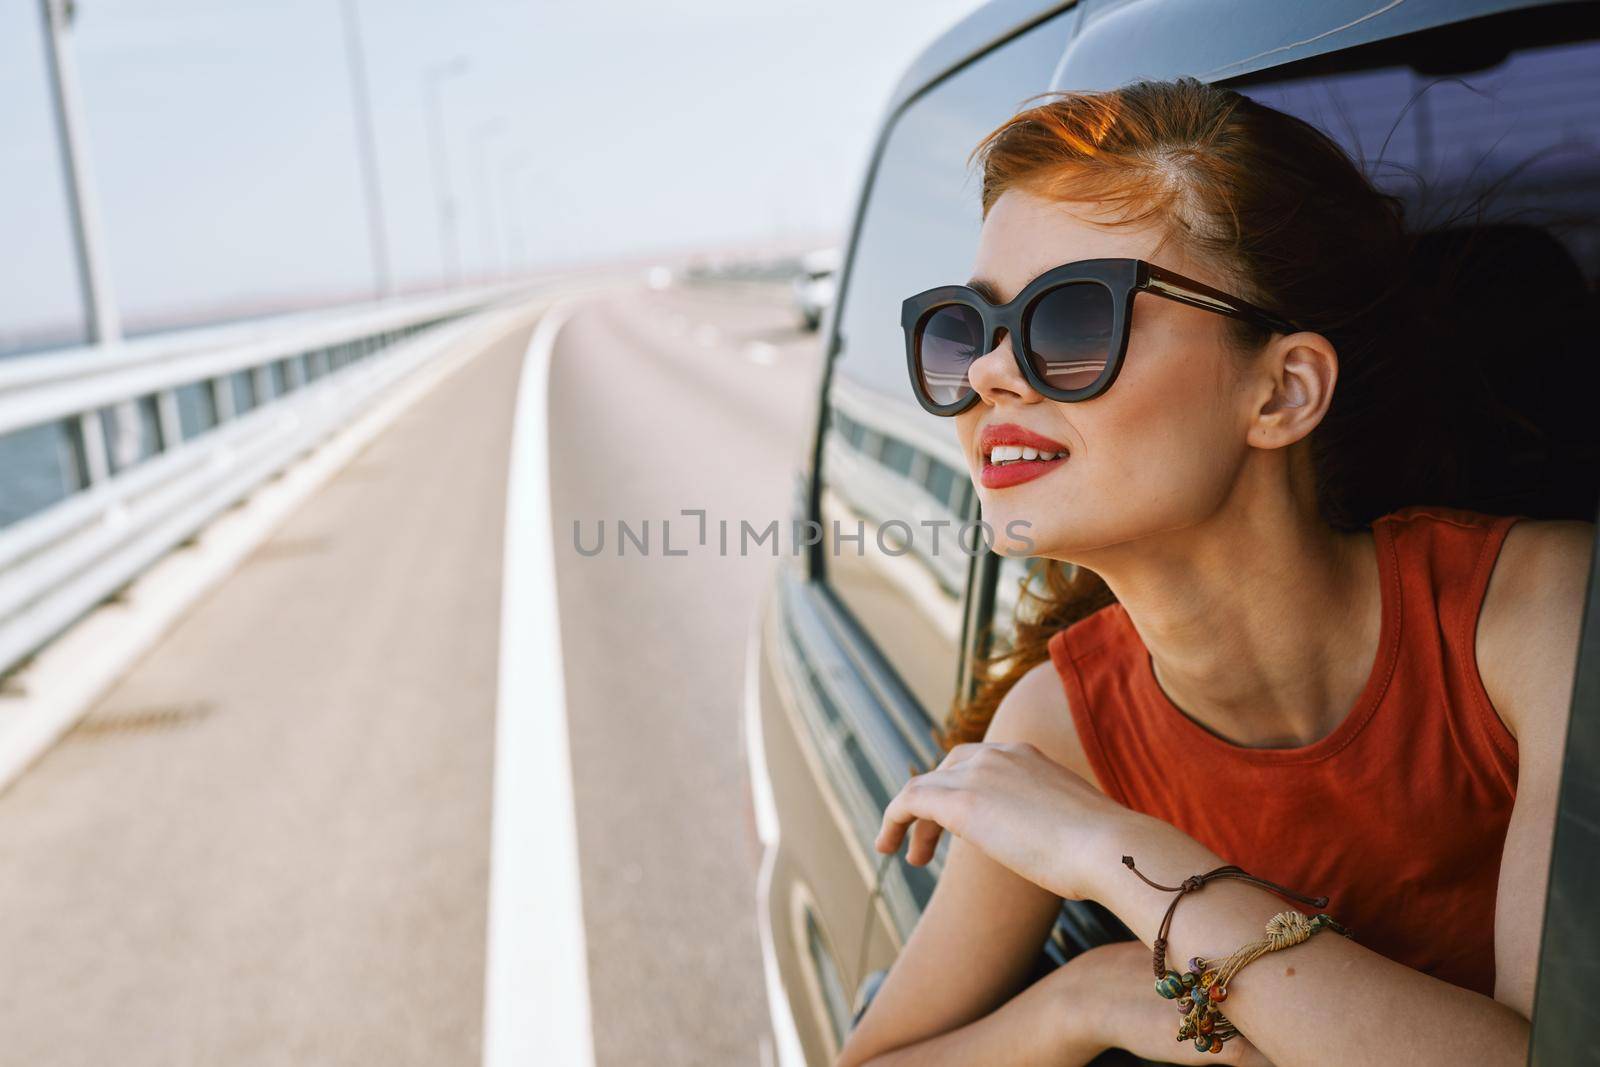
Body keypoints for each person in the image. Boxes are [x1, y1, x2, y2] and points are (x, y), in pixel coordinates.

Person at [834, 78, 1593, 1066]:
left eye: (1070, 322)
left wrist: (1111, 857)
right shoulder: (1060, 724)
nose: (985, 374)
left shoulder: (1539, 614)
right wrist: (1083, 997)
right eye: (962, 332)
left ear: (1281, 390)